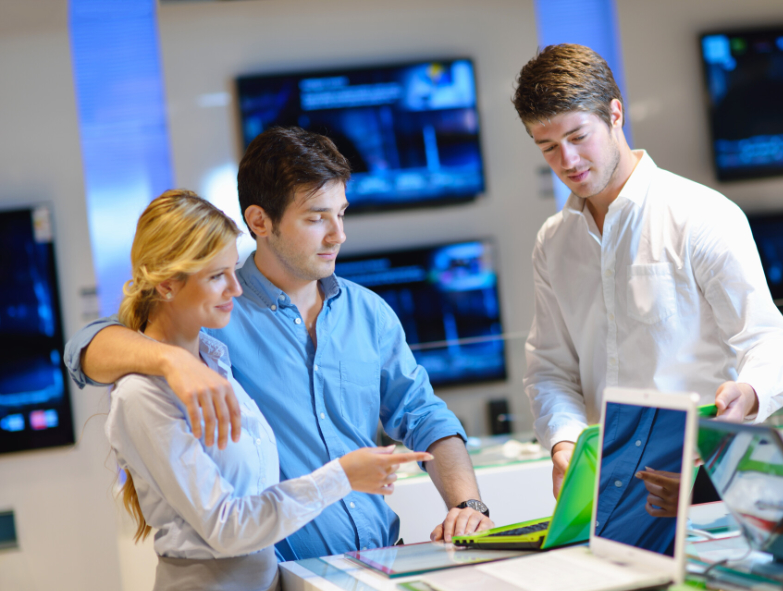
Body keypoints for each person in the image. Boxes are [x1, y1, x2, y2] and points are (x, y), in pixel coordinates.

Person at [66, 128, 493, 559]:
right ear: (259, 222)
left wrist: (467, 504)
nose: (338, 235)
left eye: (341, 214)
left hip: (384, 560)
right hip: (290, 583)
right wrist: (172, 362)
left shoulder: (369, 313)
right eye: (316, 218)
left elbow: (423, 414)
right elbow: (85, 351)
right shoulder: (213, 316)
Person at [512, 44, 783, 520]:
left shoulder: (702, 216)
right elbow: (550, 369)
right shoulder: (553, 242)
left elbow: (773, 344)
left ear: (615, 114)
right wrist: (563, 441)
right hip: (610, 487)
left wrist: (749, 392)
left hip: (709, 481)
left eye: (578, 136)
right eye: (547, 147)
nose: (567, 160)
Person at [109, 189, 432, 591]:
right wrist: (341, 477)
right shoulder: (141, 396)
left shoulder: (215, 360)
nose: (236, 288)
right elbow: (226, 528)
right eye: (217, 276)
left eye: (233, 270)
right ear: (167, 284)